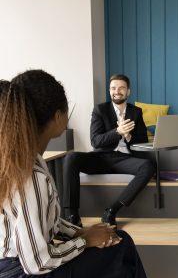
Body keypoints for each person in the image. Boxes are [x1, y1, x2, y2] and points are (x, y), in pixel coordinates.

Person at [0, 70, 154, 278]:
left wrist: (81, 231)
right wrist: (84, 241)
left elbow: (46, 221)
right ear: (58, 117)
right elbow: (37, 261)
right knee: (119, 266)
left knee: (119, 255)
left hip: (21, 264)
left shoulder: (29, 159)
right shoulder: (30, 176)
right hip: (21, 275)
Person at [63, 74, 155, 227]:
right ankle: (72, 215)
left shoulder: (136, 112)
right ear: (109, 90)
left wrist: (128, 136)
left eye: (121, 88)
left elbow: (142, 140)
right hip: (101, 157)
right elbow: (95, 141)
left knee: (149, 166)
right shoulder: (100, 110)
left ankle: (112, 210)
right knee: (71, 157)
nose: (116, 91)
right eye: (113, 88)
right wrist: (117, 132)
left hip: (125, 159)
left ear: (128, 91)